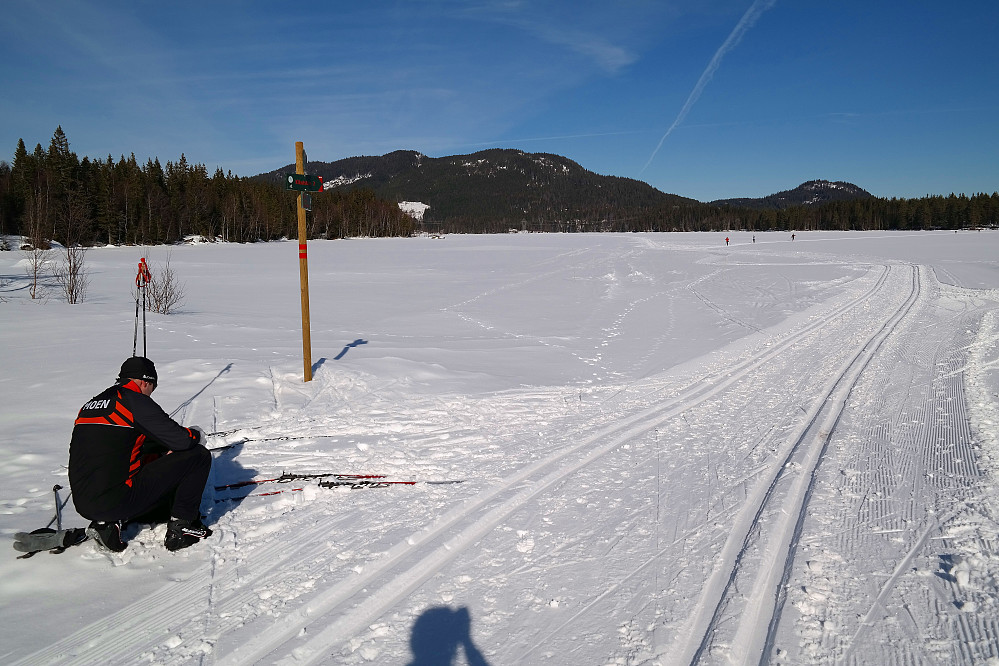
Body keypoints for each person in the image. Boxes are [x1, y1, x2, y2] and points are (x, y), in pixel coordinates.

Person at [69, 357, 213, 552]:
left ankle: (107, 524)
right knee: (198, 455)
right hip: (116, 500)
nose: (150, 395)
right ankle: (183, 528)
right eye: (151, 389)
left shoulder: (91, 404)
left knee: (149, 450)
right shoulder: (133, 400)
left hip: (84, 503)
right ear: (145, 382)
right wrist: (196, 434)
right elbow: (181, 440)